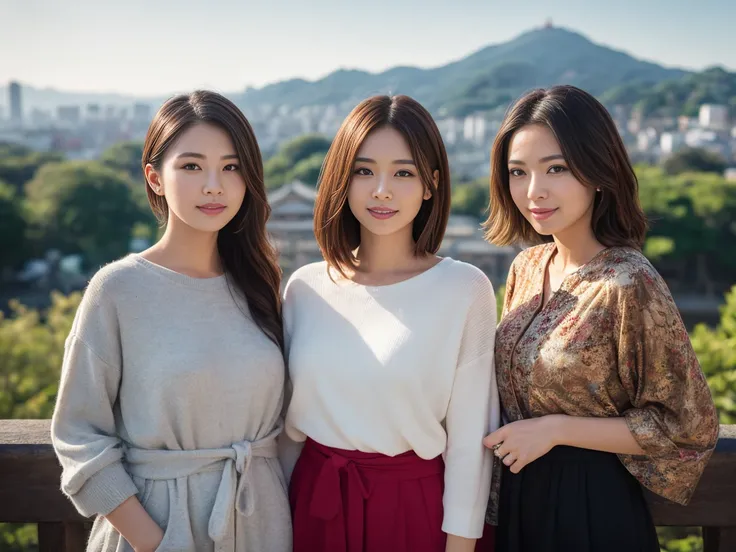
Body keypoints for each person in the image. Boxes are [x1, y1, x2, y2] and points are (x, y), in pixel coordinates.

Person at [480, 85, 720, 552]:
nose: (535, 191)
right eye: (518, 172)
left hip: (589, 505)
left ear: (598, 171)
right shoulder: (526, 267)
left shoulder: (629, 282)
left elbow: (687, 425)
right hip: (518, 498)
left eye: (557, 168)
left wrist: (557, 429)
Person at [51, 90, 291, 552]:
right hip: (155, 529)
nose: (213, 185)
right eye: (192, 166)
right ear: (154, 178)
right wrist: (160, 543)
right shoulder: (118, 289)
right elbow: (78, 436)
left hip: (261, 525)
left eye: (231, 166)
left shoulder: (259, 286)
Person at [280, 94, 499, 552]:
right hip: (312, 505)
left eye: (404, 172)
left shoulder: (463, 288)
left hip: (412, 510)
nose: (382, 189)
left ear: (430, 184)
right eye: (364, 171)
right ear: (343, 179)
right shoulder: (304, 288)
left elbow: (469, 445)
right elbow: (286, 435)